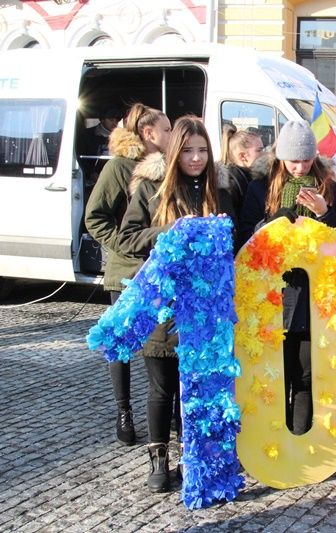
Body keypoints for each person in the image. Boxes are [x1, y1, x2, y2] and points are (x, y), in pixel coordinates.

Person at [118, 115, 234, 492]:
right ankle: (158, 459)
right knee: (162, 386)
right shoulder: (152, 189)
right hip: (162, 302)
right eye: (187, 151)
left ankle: (190, 457)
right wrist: (169, 232)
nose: (196, 158)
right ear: (174, 153)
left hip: (205, 311)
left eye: (202, 151)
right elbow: (127, 238)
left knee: (195, 387)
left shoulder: (221, 190)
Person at [242, 120, 336, 435]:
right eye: (293, 160)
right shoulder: (260, 186)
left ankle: (301, 434)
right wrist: (273, 222)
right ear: (281, 157)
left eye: (306, 159)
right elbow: (245, 235)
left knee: (306, 373)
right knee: (278, 371)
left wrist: (324, 213)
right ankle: (277, 438)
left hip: (314, 294)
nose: (300, 167)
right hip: (274, 294)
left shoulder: (328, 185)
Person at [84, 103, 171, 447]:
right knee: (121, 344)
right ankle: (124, 411)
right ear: (149, 133)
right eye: (166, 129)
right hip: (126, 270)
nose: (171, 134)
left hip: (156, 270)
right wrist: (123, 245)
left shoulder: (165, 165)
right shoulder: (120, 166)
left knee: (158, 344)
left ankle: (163, 410)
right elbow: (95, 217)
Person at [219, 124, 265, 223]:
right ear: (242, 156)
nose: (264, 154)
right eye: (259, 150)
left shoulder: (250, 177)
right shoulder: (231, 183)